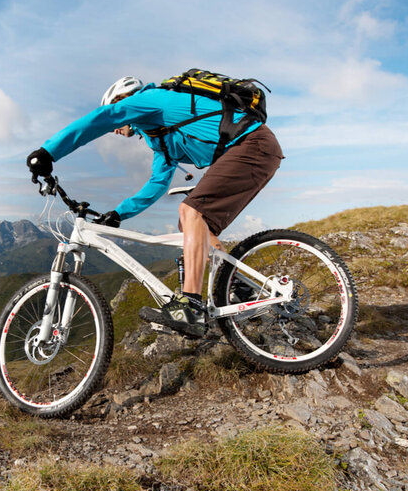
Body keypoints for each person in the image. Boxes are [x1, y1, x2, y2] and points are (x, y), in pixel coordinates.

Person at [26, 75, 283, 338]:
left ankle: (190, 305)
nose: (116, 129)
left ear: (124, 99)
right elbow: (157, 183)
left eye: (119, 117)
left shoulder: (152, 100)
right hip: (253, 151)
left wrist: (48, 152)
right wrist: (118, 214)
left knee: (191, 211)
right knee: (192, 226)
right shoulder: (159, 136)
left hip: (253, 145)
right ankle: (240, 287)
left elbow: (103, 117)